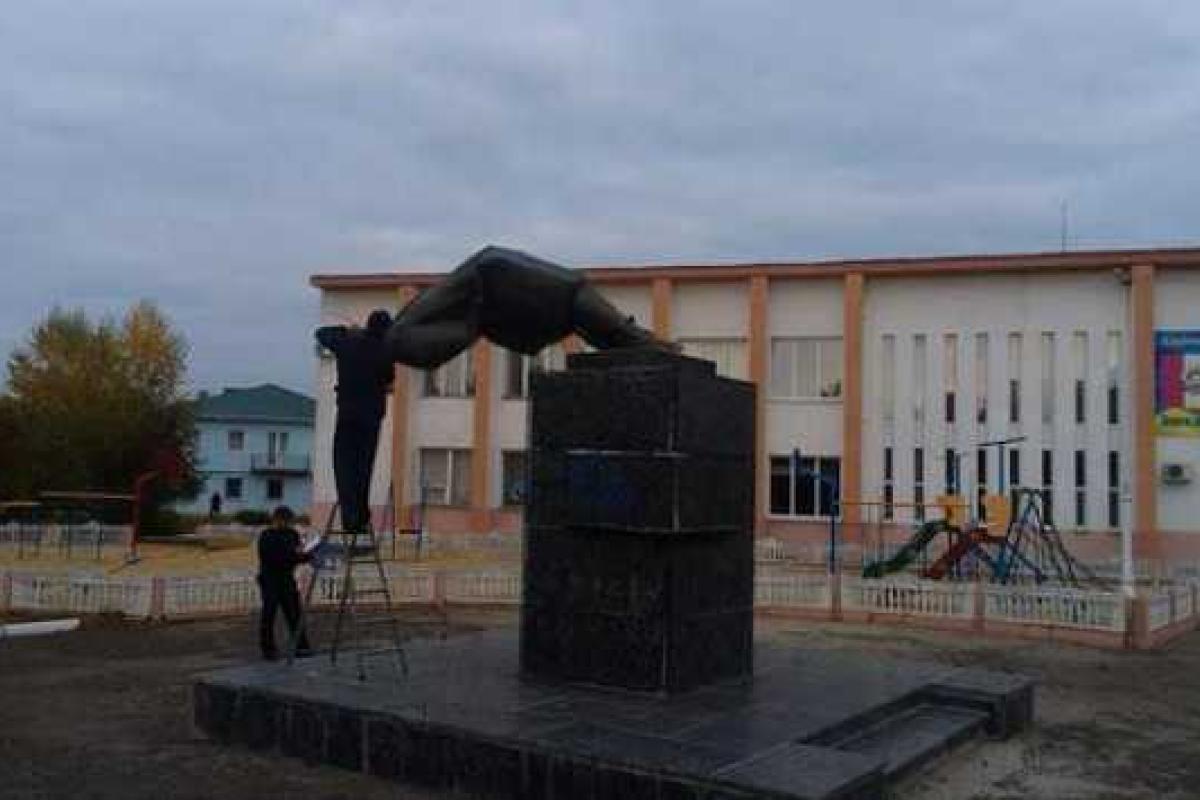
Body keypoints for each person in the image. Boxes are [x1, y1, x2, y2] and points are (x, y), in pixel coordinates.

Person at [383, 246, 669, 369]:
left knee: (610, 330)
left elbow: (463, 331)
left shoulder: (478, 283)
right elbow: (463, 331)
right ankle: (643, 344)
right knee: (606, 328)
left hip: (537, 292)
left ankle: (643, 345)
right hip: (539, 294)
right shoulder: (408, 331)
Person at [315, 309, 394, 534]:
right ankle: (359, 517)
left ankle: (350, 515)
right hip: (371, 416)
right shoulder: (385, 350)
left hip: (348, 413)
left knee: (344, 464)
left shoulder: (347, 343)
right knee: (363, 467)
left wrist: (347, 331)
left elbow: (321, 333)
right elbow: (388, 378)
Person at [256, 505, 313, 660]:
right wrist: (298, 557)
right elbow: (273, 557)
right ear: (276, 520)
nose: (287, 524)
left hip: (287, 578)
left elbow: (296, 552)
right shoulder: (266, 535)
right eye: (285, 521)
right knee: (269, 614)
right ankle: (268, 649)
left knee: (294, 613)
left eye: (289, 522)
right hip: (270, 578)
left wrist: (306, 555)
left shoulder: (292, 534)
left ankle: (301, 646)